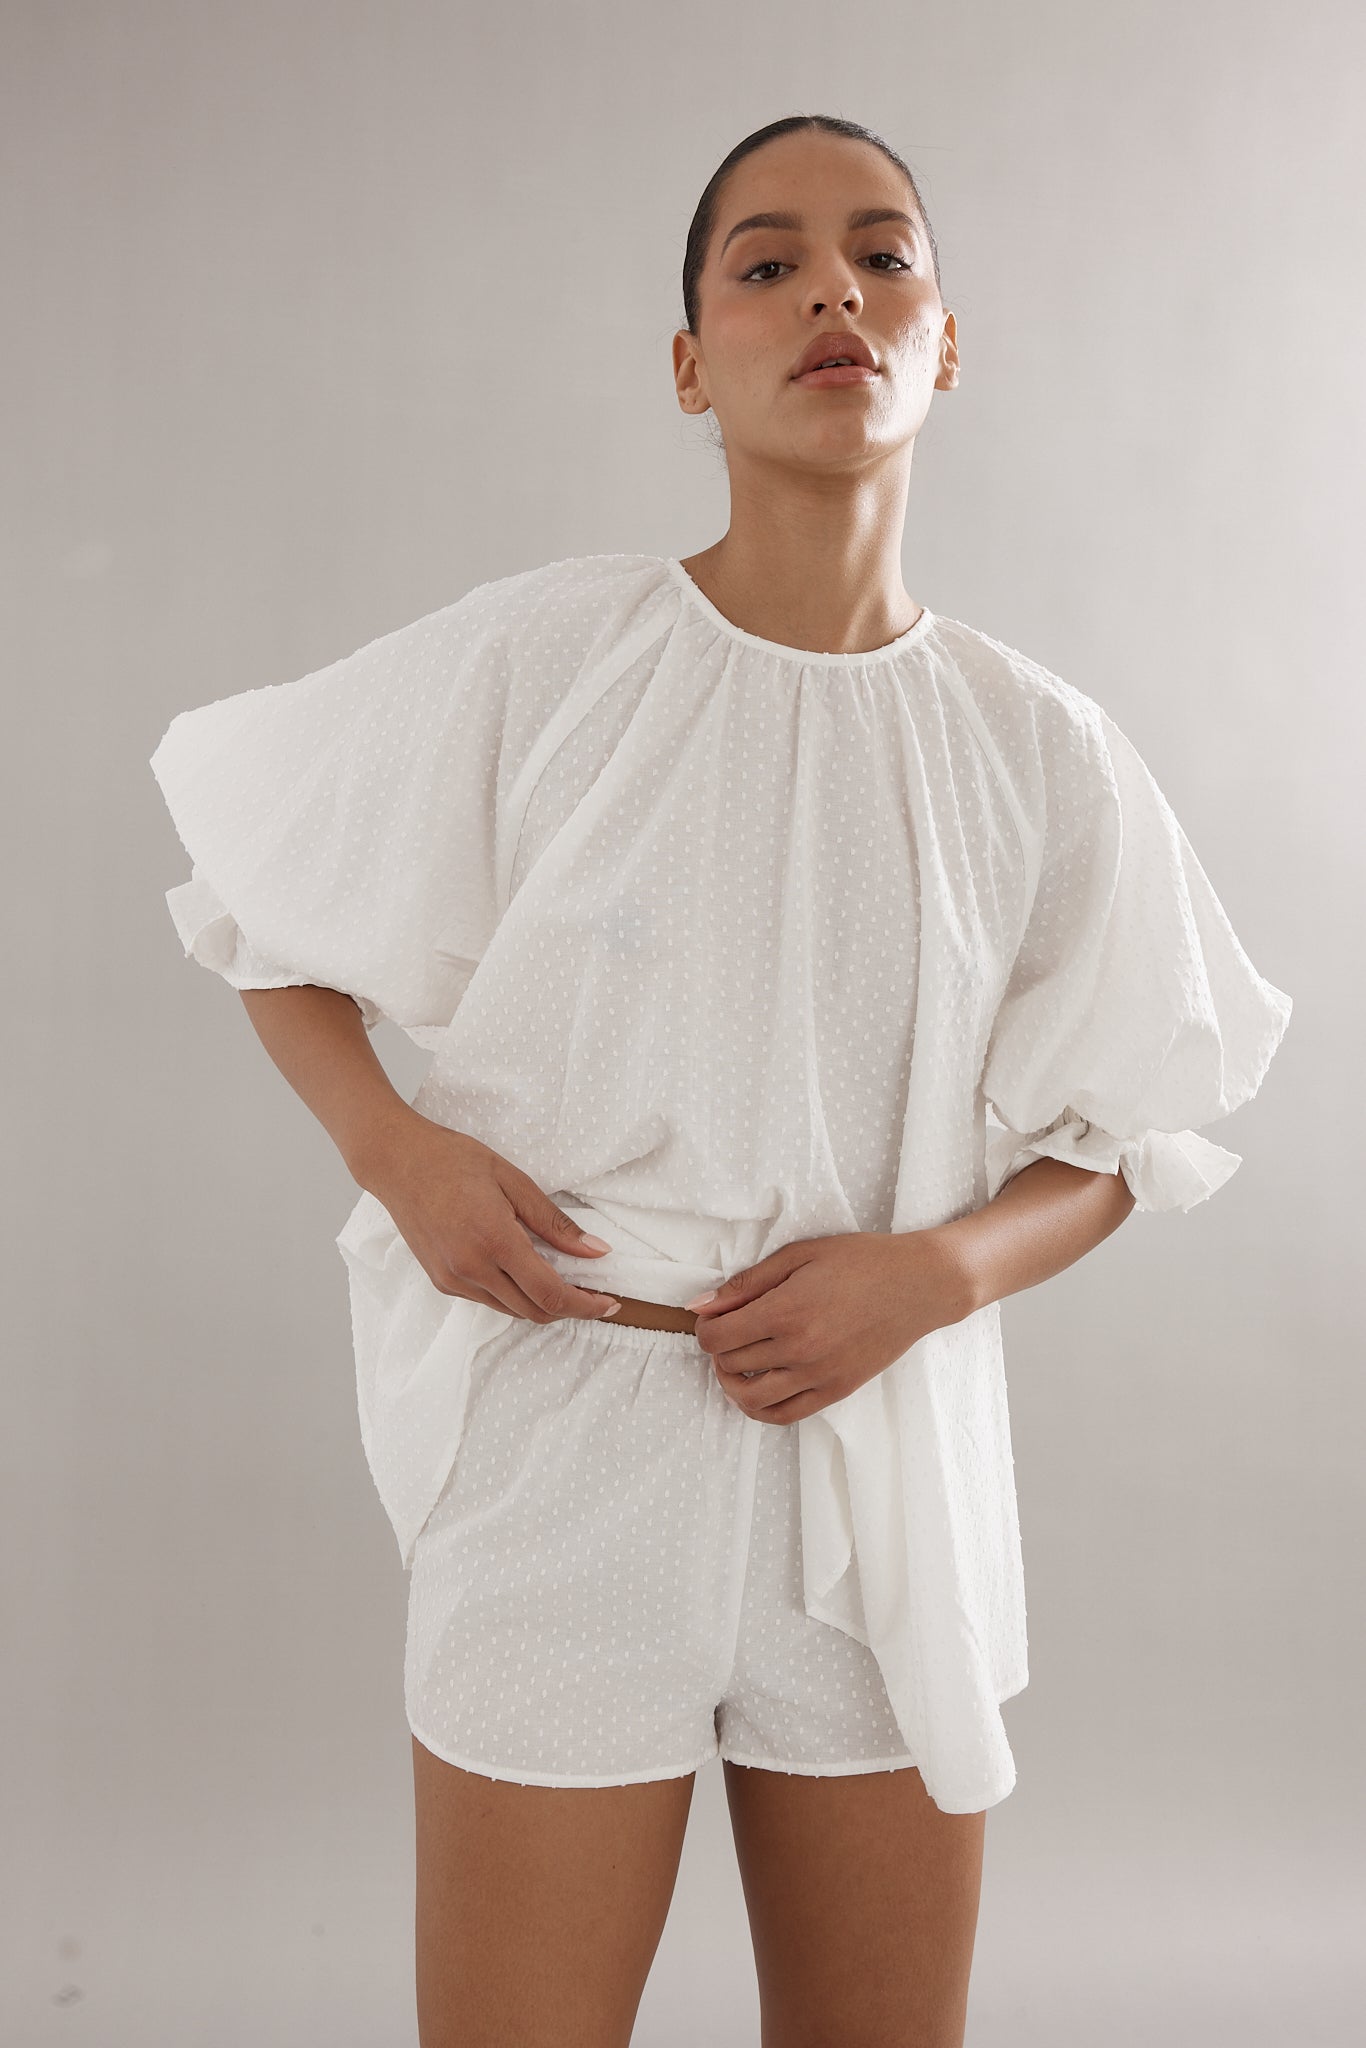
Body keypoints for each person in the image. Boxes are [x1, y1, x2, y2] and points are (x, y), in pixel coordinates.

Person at [149, 113, 1293, 2048]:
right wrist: (397, 1152)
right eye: (766, 264)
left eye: (882, 255)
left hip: (882, 1459)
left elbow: (1132, 1131)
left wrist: (934, 1274)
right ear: (691, 365)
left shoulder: (1036, 745)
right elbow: (256, 911)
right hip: (568, 1440)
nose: (833, 289)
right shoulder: (553, 656)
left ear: (945, 340)